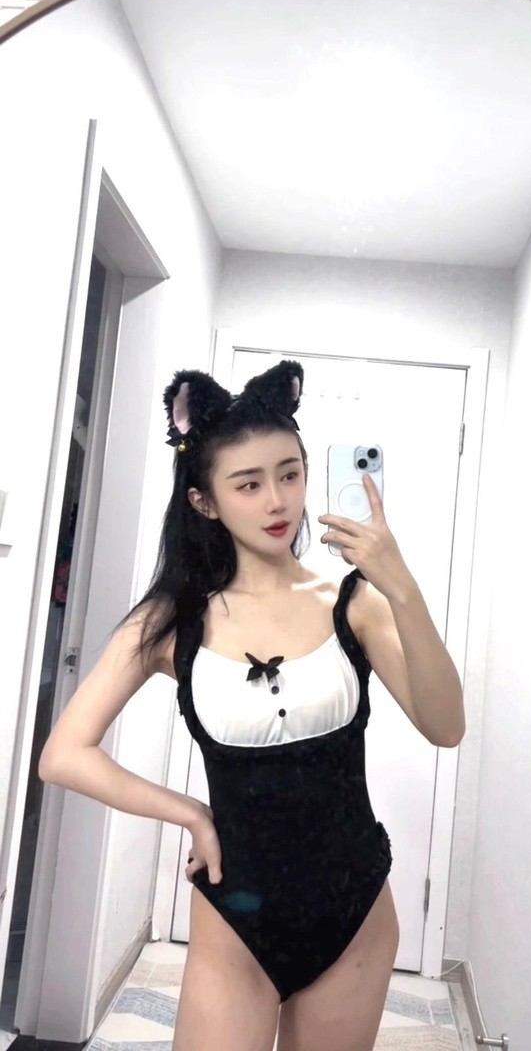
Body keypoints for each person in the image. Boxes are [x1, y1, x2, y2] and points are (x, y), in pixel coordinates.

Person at [39, 359, 465, 1051]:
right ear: (204, 501)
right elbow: (63, 755)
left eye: (290, 474)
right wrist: (190, 813)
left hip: (354, 908)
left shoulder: (353, 604)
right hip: (234, 916)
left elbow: (446, 727)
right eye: (249, 484)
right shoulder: (170, 622)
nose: (277, 502)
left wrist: (402, 587)